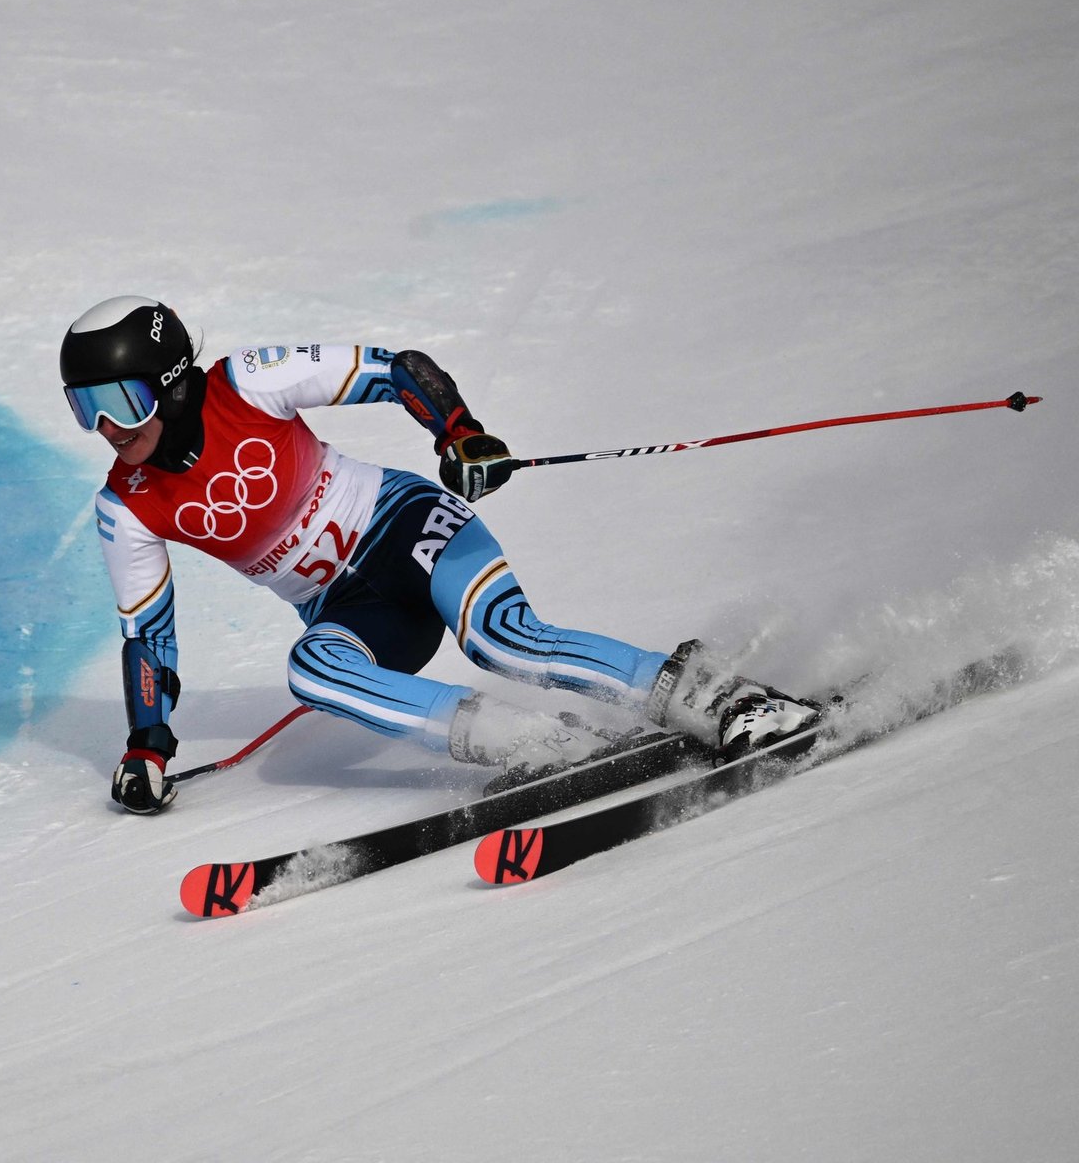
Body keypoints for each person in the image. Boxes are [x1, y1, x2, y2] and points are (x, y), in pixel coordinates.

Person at [61, 296, 817, 814]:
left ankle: (727, 699)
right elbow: (148, 638)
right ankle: (533, 743)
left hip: (404, 523)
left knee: (499, 640)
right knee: (313, 669)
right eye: (84, 409)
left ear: (168, 384)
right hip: (351, 610)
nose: (107, 428)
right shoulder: (125, 503)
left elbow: (397, 368)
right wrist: (146, 747)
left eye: (119, 402)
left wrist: (459, 432)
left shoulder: (246, 383)